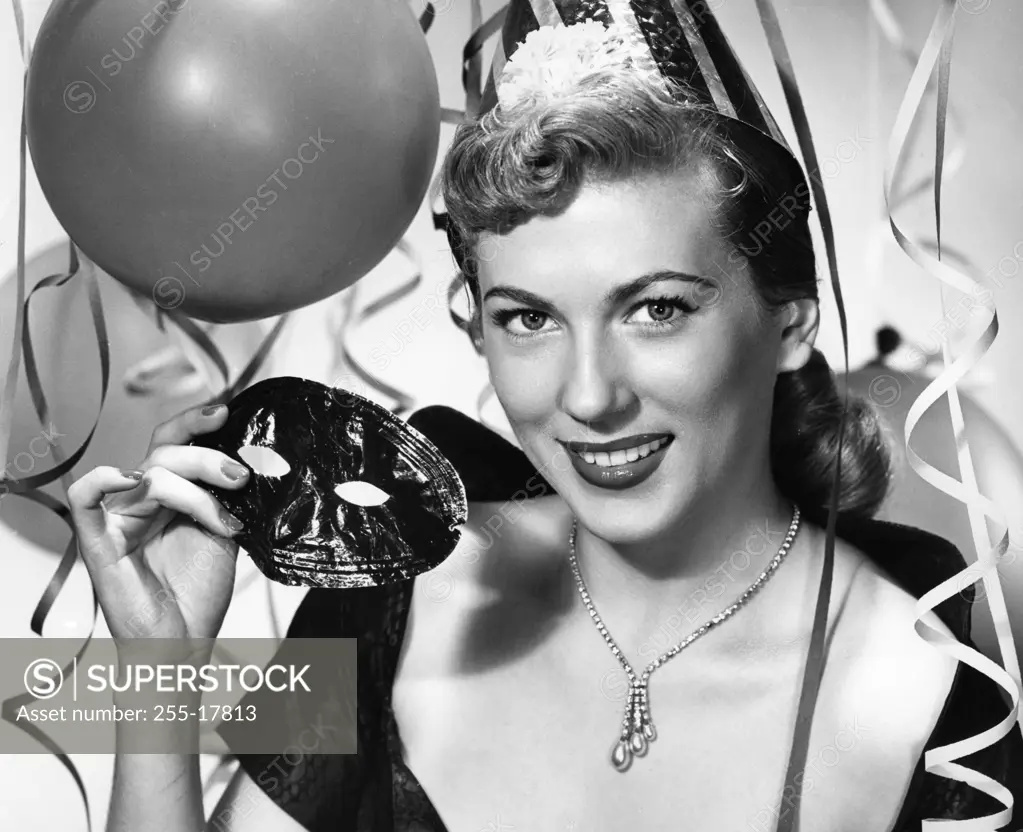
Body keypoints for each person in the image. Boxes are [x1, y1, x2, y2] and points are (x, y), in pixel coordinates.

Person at [68, 3, 1021, 831]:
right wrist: (157, 668)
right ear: (476, 327)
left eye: (656, 309)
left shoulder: (928, 684)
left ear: (788, 326)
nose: (589, 396)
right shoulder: (390, 574)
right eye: (528, 319)